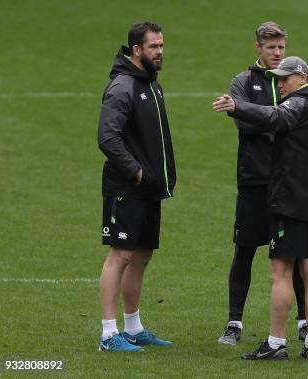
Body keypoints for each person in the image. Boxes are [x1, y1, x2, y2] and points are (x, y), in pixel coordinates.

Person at [213, 56, 308, 360]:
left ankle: (276, 343)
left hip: (290, 204)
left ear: (301, 77)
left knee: (280, 272)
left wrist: (238, 106)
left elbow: (276, 118)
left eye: (285, 78)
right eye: (276, 79)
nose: (280, 84)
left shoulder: (298, 105)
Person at [217, 21, 308, 346]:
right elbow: (244, 122)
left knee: (292, 254)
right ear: (258, 48)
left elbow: (301, 122)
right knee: (244, 251)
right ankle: (234, 322)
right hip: (254, 182)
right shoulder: (243, 81)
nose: (277, 53)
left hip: (288, 185)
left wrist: (268, 117)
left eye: (281, 47)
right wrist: (276, 118)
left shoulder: (293, 81)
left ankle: (302, 321)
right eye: (271, 47)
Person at [97, 22, 176, 352]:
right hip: (126, 187)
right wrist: (136, 172)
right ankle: (107, 334)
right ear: (136, 50)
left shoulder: (151, 85)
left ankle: (132, 326)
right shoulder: (123, 86)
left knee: (142, 255)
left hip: (148, 189)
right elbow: (107, 137)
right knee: (121, 255)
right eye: (153, 46)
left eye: (161, 45)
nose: (160, 51)